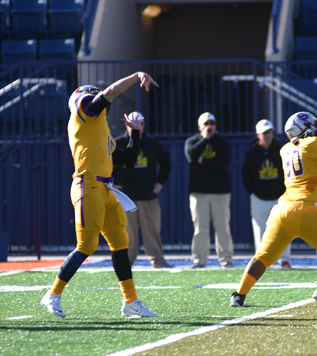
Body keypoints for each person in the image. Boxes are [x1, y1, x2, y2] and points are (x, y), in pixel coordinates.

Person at [40, 72, 159, 319]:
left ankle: (131, 301)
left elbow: (127, 161)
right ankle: (53, 294)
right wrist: (136, 76)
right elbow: (110, 92)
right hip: (87, 185)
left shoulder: (100, 128)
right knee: (87, 245)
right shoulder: (84, 114)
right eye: (91, 94)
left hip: (105, 189)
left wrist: (134, 132)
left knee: (120, 242)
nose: (96, 98)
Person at [230, 112, 317, 308]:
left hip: (282, 210)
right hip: (309, 209)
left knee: (262, 257)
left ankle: (239, 295)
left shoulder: (285, 149)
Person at [113, 111, 172, 269]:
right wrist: (112, 182)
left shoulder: (152, 144)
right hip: (125, 198)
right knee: (126, 234)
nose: (136, 126)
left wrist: (160, 182)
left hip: (148, 197)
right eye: (132, 123)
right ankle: (126, 262)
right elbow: (105, 162)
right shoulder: (117, 142)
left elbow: (166, 162)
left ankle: (158, 260)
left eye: (140, 123)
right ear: (126, 125)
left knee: (152, 232)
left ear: (144, 124)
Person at [185, 112, 234, 269]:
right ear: (200, 127)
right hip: (199, 193)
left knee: (223, 228)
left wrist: (203, 161)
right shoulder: (192, 141)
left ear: (216, 125)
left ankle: (226, 260)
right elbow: (192, 155)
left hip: (220, 192)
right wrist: (204, 140)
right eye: (206, 124)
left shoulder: (222, 142)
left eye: (212, 123)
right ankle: (199, 261)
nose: (209, 127)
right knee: (200, 229)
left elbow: (224, 162)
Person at [241, 119, 291, 269]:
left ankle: (285, 260)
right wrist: (252, 193)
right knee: (260, 229)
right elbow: (246, 175)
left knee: (284, 228)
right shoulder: (251, 153)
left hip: (280, 197)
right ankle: (262, 261)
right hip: (259, 198)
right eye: (264, 133)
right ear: (258, 135)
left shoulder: (281, 149)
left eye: (269, 132)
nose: (267, 136)